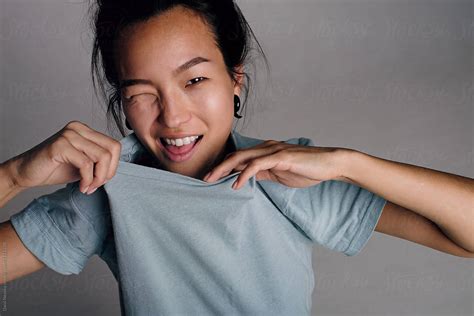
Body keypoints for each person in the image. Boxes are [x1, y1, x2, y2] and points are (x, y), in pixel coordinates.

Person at [0, 0, 473, 314]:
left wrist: (349, 163)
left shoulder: (284, 178)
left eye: (195, 80)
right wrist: (16, 174)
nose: (173, 116)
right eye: (141, 91)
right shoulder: (110, 187)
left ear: (235, 79)